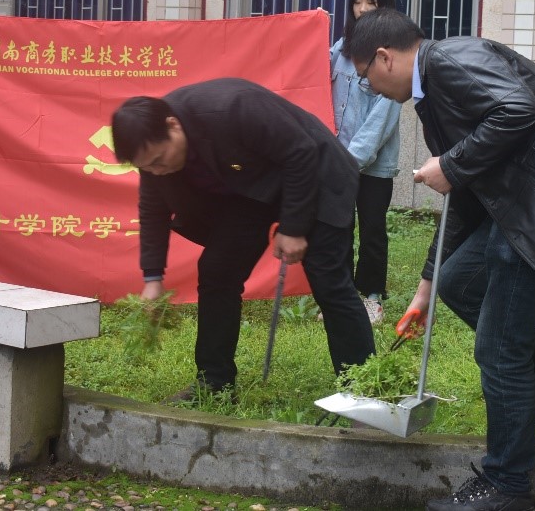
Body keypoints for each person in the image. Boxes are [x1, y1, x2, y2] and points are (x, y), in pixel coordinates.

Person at [346, 9, 535, 511]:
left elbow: (518, 111)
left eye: (366, 77)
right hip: (522, 206)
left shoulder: (449, 59)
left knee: (498, 349)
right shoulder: (432, 96)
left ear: (384, 57)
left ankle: (505, 486)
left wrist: (450, 163)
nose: (371, 89)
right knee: (458, 282)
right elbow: (465, 198)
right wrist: (425, 287)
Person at [111, 78, 376, 402]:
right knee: (217, 271)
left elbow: (301, 151)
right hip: (252, 190)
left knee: (329, 281)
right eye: (146, 167)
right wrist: (153, 278)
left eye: (158, 160)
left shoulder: (230, 107)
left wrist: (293, 227)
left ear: (173, 125)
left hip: (314, 171)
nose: (156, 170)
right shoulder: (151, 153)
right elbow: (153, 209)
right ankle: (215, 382)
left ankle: (363, 393)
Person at [329, 0, 401, 325]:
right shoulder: (339, 52)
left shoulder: (393, 57)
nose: (362, 8)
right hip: (338, 159)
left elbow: (383, 119)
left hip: (373, 164)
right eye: (357, 1)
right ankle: (343, 295)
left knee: (373, 229)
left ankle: (372, 296)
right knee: (340, 226)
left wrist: (351, 159)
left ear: (384, 5)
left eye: (370, 1)